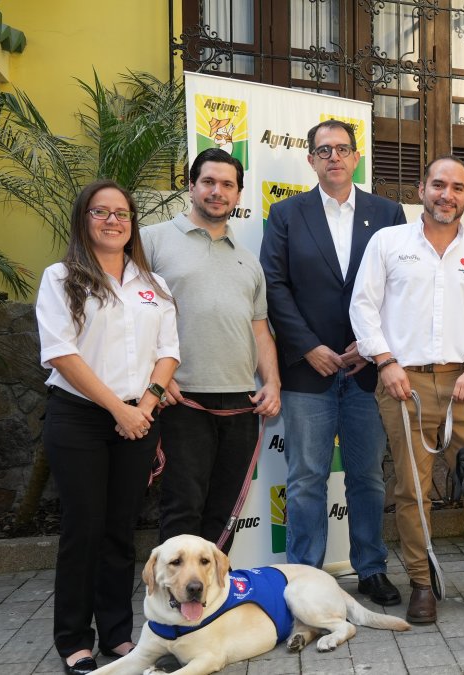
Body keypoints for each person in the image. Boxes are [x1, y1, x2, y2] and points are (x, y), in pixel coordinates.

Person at [351, 155, 464, 624]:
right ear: (421, 189)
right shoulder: (388, 242)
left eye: (458, 188)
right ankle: (422, 583)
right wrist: (385, 362)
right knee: (412, 489)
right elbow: (364, 306)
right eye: (439, 185)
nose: (448, 195)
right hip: (404, 383)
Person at [259, 119, 405, 607]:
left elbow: (401, 287)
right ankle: (304, 577)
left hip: (368, 371)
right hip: (308, 370)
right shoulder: (285, 214)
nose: (334, 157)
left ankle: (372, 569)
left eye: (343, 149)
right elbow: (273, 285)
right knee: (305, 480)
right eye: (324, 151)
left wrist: (371, 347)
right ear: (311, 160)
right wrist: (306, 346)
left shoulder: (388, 213)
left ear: (356, 156)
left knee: (368, 476)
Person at [36, 180, 180, 674]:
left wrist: (146, 403)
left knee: (121, 529)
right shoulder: (60, 278)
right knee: (84, 528)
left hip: (139, 417)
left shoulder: (152, 283)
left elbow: (169, 351)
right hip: (80, 417)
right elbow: (60, 352)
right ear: (84, 219)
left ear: (132, 223)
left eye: (122, 213)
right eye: (102, 212)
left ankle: (118, 634)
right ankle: (74, 639)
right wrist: (119, 411)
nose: (113, 220)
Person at [143, 148, 281, 553]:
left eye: (227, 185)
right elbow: (132, 318)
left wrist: (272, 382)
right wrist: (153, 381)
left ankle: (212, 600)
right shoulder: (152, 241)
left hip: (241, 403)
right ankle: (173, 603)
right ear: (191, 186)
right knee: (183, 507)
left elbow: (260, 330)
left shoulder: (248, 261)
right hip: (181, 399)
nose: (217, 191)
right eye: (208, 182)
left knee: (224, 511)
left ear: (238, 196)